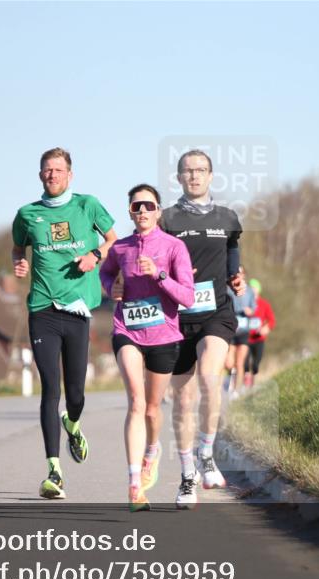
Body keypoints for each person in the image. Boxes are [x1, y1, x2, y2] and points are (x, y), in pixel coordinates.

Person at [13, 147, 118, 500]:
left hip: (77, 311)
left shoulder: (88, 206)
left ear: (70, 175)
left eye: (58, 170)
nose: (52, 175)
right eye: (46, 170)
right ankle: (54, 472)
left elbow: (114, 240)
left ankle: (73, 423)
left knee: (76, 394)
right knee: (51, 388)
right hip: (42, 310)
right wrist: (20, 263)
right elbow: (18, 247)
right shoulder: (28, 214)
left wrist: (94, 256)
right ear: (40, 174)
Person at [100, 184, 195, 511]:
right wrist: (111, 288)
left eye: (148, 206)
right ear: (130, 211)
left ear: (159, 211)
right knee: (136, 403)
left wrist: (159, 276)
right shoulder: (120, 248)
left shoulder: (174, 247)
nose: (142, 211)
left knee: (153, 409)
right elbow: (106, 273)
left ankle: (152, 450)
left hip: (164, 335)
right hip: (126, 328)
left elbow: (188, 296)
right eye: (136, 206)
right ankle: (134, 485)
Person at [160, 149, 245, 509]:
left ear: (211, 176)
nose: (194, 176)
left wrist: (235, 277)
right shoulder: (166, 219)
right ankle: (186, 476)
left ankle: (207, 452)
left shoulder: (227, 218)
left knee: (211, 378)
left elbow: (233, 250)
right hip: (176, 316)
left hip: (215, 312)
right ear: (178, 178)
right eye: (187, 171)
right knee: (183, 400)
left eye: (201, 170)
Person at [224, 266, 258, 398]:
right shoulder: (228, 288)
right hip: (231, 329)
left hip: (244, 329)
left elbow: (253, 308)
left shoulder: (249, 291)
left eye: (241, 273)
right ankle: (229, 383)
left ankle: (236, 390)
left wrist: (250, 311)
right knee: (228, 362)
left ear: (244, 275)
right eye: (236, 272)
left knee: (239, 362)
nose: (238, 275)